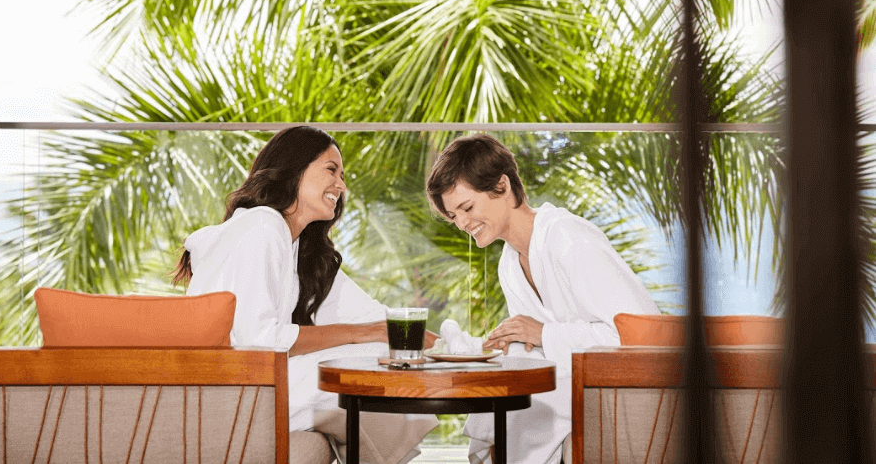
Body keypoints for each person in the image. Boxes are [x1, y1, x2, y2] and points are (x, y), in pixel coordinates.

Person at [174, 125, 437, 463]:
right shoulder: (262, 226)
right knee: (367, 364)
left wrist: (453, 350)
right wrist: (362, 335)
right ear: (294, 169)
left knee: (376, 356)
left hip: (257, 384)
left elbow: (373, 318)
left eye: (342, 175)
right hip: (232, 392)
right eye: (331, 170)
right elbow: (259, 339)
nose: (341, 186)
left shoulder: (298, 247)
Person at [425, 133, 660, 464]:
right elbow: (538, 352)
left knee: (514, 409)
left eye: (467, 207)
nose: (462, 223)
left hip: (630, 392)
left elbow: (644, 337)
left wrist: (542, 333)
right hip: (576, 386)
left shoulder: (569, 239)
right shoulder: (510, 263)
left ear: (502, 186)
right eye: (453, 216)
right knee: (506, 403)